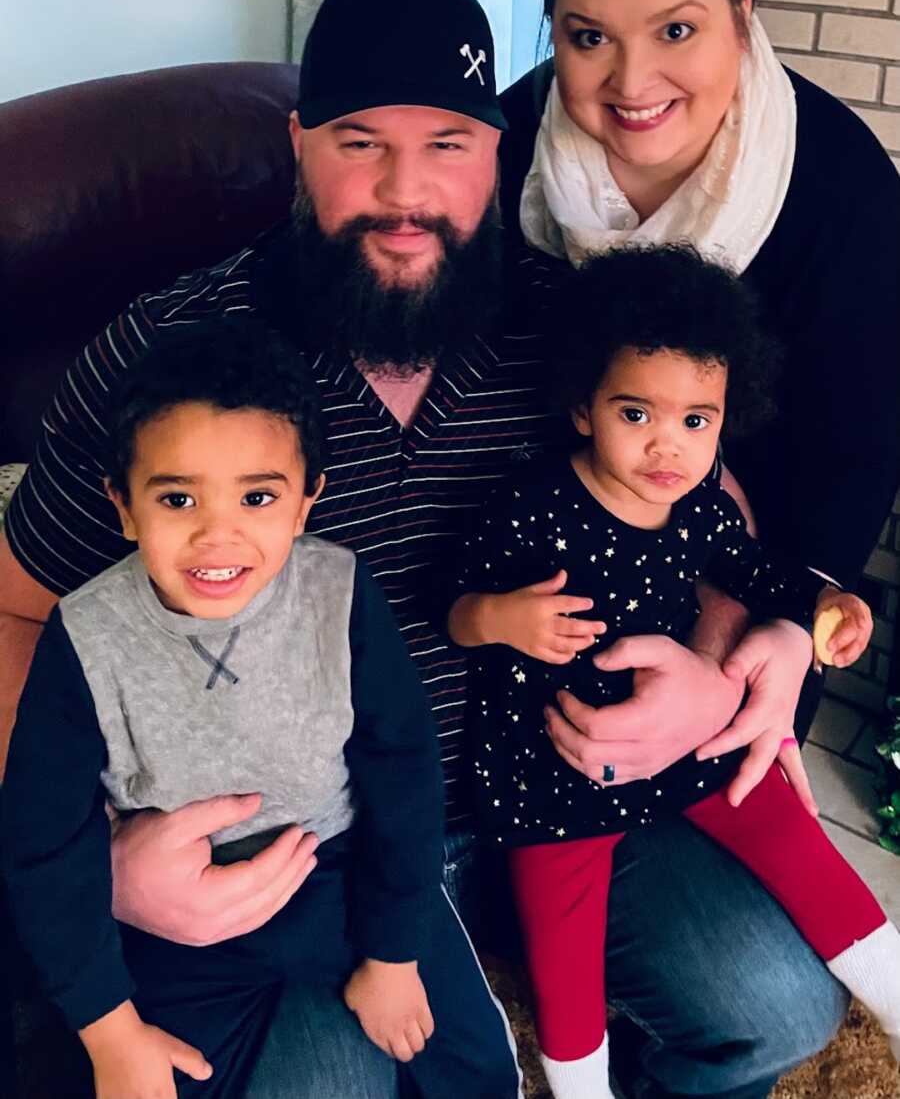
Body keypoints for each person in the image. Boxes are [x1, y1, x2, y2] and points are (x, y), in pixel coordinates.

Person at [0, 0, 850, 1099]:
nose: (406, 192)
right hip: (309, 849)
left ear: (498, 150)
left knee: (778, 1005)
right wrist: (102, 861)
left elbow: (711, 514)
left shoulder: (580, 330)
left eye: (448, 142)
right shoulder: (170, 354)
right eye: (360, 142)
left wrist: (711, 675)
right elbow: (13, 608)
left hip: (559, 779)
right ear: (299, 145)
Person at [3, 320, 521, 1099]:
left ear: (306, 499)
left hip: (342, 873)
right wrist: (111, 1032)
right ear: (124, 506)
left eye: (257, 496)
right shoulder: (85, 636)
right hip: (178, 919)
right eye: (177, 497)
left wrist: (393, 953)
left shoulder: (339, 593)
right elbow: (46, 840)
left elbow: (404, 771)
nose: (219, 534)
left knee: (470, 1062)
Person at [498, 0, 900, 779]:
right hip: (542, 595)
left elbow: (854, 450)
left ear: (745, 7)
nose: (632, 83)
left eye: (676, 30)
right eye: (588, 37)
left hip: (747, 603)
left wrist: (773, 640)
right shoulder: (505, 149)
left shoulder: (840, 186)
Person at [449, 245, 900, 1099]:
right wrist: (501, 618)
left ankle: (890, 984)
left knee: (787, 826)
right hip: (555, 774)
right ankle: (583, 1087)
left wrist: (824, 606)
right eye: (637, 414)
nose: (669, 446)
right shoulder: (532, 505)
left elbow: (754, 571)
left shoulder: (696, 505)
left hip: (681, 744)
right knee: (565, 953)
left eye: (698, 420)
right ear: (582, 408)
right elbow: (453, 602)